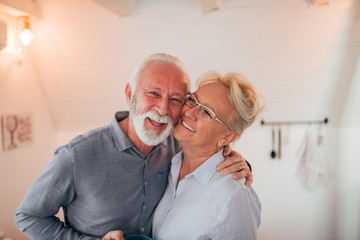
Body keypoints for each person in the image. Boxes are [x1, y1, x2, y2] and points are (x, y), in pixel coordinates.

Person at [14, 53, 252, 240]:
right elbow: (28, 216)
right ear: (130, 95)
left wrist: (239, 163)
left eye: (176, 99)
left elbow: (208, 157)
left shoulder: (176, 146)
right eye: (153, 93)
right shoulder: (76, 156)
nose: (162, 109)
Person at [151, 71, 264, 239]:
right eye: (192, 100)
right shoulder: (171, 161)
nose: (188, 112)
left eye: (206, 113)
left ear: (227, 137)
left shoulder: (233, 197)